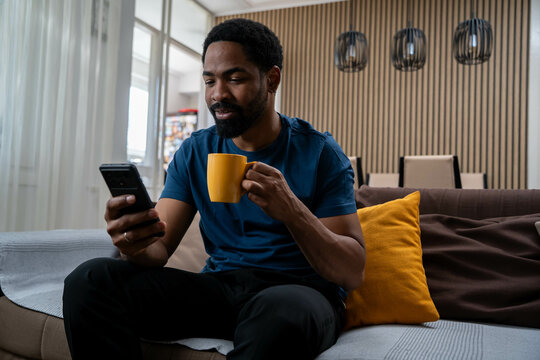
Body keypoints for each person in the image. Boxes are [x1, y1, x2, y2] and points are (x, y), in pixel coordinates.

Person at [63, 18, 365, 360]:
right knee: (89, 279)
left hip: (300, 292)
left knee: (279, 312)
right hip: (221, 288)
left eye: (234, 79)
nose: (218, 94)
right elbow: (158, 250)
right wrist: (134, 241)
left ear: (272, 79)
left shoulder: (320, 152)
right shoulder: (195, 151)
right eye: (210, 81)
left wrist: (292, 211)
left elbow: (352, 272)